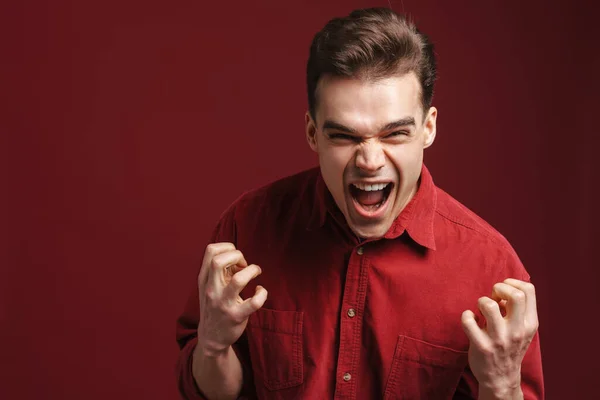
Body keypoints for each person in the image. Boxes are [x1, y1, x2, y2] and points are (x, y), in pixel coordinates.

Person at [175, 7, 544, 400]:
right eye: (345, 137)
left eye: (395, 134)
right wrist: (213, 344)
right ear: (313, 133)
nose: (369, 161)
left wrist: (502, 385)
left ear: (429, 127)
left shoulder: (490, 267)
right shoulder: (247, 228)